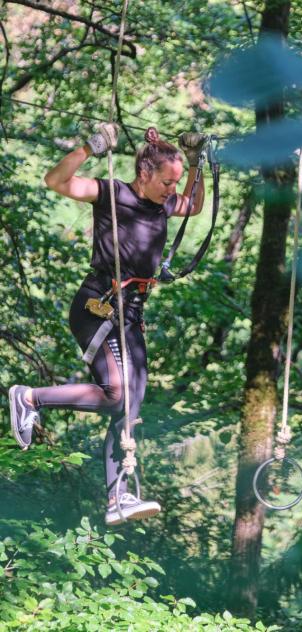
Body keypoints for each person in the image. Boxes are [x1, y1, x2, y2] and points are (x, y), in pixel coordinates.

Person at [7, 124, 207, 526]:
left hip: (129, 316)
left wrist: (195, 163)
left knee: (128, 409)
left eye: (174, 182)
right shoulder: (113, 193)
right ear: (145, 174)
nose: (173, 189)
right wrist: (91, 147)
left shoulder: (164, 204)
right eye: (167, 181)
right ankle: (29, 398)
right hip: (97, 306)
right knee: (117, 393)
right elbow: (56, 181)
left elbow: (196, 205)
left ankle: (117, 500)